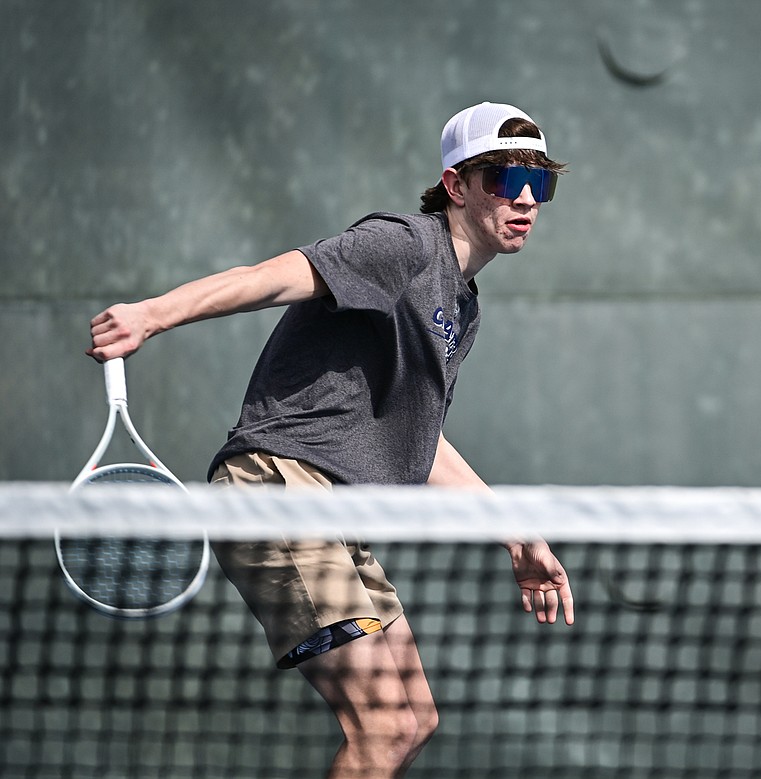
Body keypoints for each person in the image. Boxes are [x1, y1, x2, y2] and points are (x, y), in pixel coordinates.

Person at [85, 102, 574, 777]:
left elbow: (423, 440)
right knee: (384, 724)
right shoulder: (401, 244)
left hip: (335, 514)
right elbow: (272, 276)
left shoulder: (460, 304)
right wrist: (153, 314)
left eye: (539, 184)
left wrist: (516, 532)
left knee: (414, 717)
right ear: (457, 185)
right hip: (276, 490)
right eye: (501, 179)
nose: (524, 199)